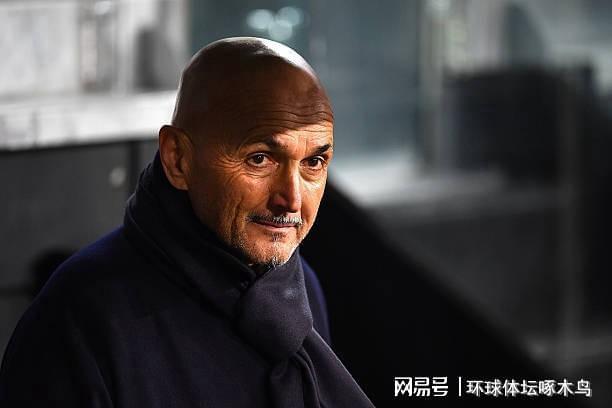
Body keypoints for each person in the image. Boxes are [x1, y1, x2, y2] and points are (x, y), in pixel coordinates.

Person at [0, 37, 374, 407]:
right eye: (260, 159)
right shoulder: (80, 321)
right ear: (178, 159)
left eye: (313, 162)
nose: (291, 199)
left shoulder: (299, 288)